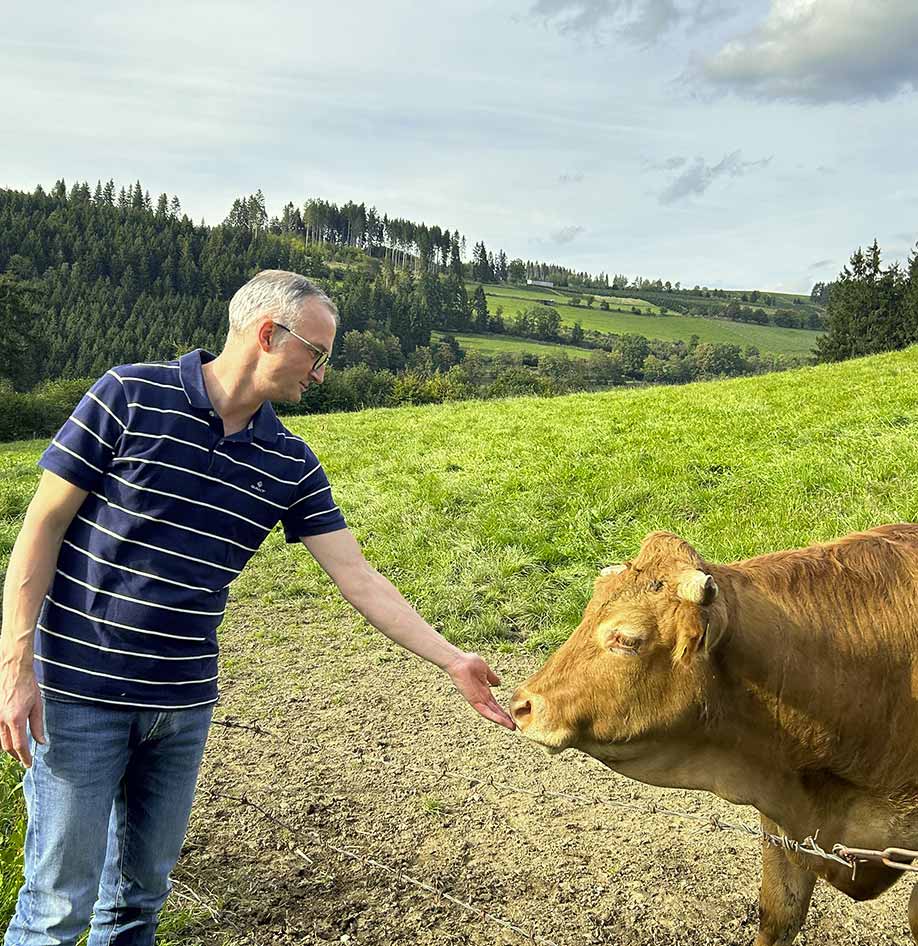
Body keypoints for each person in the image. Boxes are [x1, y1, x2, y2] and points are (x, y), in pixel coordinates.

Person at [0, 269, 515, 946]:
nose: (322, 374)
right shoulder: (129, 395)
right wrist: (15, 666)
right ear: (269, 334)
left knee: (134, 907)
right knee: (56, 908)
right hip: (77, 699)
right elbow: (40, 529)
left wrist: (452, 659)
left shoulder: (289, 462)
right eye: (318, 354)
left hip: (181, 709)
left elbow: (359, 577)